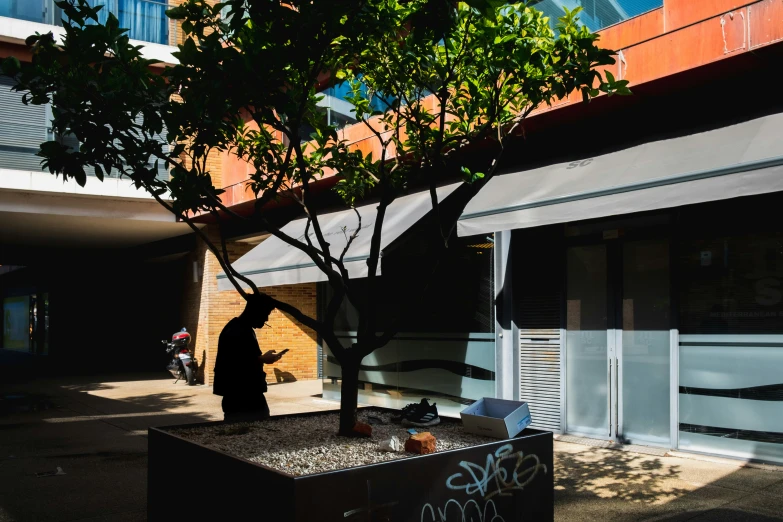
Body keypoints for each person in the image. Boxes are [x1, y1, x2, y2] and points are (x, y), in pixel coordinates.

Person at [213, 294, 286, 422]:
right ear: (256, 311)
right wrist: (262, 359)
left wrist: (262, 358)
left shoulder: (241, 328)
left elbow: (243, 357)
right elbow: (234, 364)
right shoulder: (236, 330)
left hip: (247, 393)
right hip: (240, 396)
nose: (267, 319)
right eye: (266, 314)